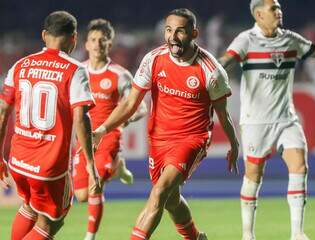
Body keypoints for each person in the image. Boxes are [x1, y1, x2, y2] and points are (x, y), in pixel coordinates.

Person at [92, 8, 239, 240]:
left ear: (194, 33)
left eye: (180, 31)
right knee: (171, 200)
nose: (172, 36)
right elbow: (130, 102)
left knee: (159, 193)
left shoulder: (211, 71)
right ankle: (196, 237)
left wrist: (234, 143)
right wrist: (102, 129)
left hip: (192, 139)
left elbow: (223, 113)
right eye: (169, 30)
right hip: (159, 140)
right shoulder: (153, 59)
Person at [218, 1, 315, 239]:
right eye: (273, 9)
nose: (279, 12)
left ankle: (297, 233)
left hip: (287, 119)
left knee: (300, 167)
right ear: (259, 14)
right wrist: (211, 72)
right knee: (254, 175)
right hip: (256, 122)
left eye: (279, 7)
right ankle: (247, 233)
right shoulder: (246, 40)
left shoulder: (290, 39)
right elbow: (226, 60)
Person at [0, 11, 100, 240]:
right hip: (49, 167)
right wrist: (91, 165)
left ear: (44, 35)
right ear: (74, 38)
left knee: (29, 207)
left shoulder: (20, 66)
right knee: (50, 221)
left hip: (19, 161)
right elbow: (80, 119)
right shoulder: (75, 70)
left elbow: (3, 114)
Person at [72, 18, 147, 240]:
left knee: (95, 186)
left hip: (109, 136)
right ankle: (117, 167)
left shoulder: (119, 74)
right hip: (85, 137)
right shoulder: (77, 71)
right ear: (85, 44)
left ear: (109, 45)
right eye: (93, 40)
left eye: (102, 40)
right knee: (81, 195)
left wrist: (123, 122)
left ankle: (90, 236)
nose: (97, 44)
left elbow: (140, 107)